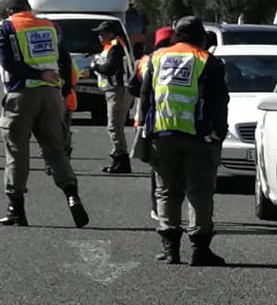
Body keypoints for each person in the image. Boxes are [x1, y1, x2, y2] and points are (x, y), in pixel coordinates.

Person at [0, 0, 89, 229]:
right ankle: (71, 194)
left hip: (22, 95)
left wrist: (36, 74)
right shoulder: (48, 27)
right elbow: (65, 61)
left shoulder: (6, 28)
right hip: (51, 96)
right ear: (28, 8)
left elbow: (6, 61)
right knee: (55, 150)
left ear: (9, 12)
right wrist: (63, 91)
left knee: (17, 151)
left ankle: (16, 208)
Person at [138, 15, 229, 266]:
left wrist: (144, 129)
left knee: (166, 190)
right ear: (202, 38)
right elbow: (220, 102)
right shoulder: (208, 61)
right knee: (199, 192)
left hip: (163, 134)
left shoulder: (157, 58)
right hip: (199, 136)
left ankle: (171, 250)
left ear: (176, 35)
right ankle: (200, 250)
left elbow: (146, 96)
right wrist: (219, 133)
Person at [131, 26, 177, 221]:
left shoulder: (146, 60)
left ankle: (158, 208)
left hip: (149, 119)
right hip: (175, 118)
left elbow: (133, 87)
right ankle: (170, 209)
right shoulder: (180, 58)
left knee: (156, 168)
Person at [87, 21, 133, 174]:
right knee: (115, 125)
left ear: (112, 33)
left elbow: (110, 68)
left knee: (115, 125)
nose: (100, 36)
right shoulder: (112, 46)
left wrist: (95, 66)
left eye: (103, 33)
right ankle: (118, 158)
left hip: (117, 90)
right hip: (114, 90)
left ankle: (121, 159)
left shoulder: (115, 47)